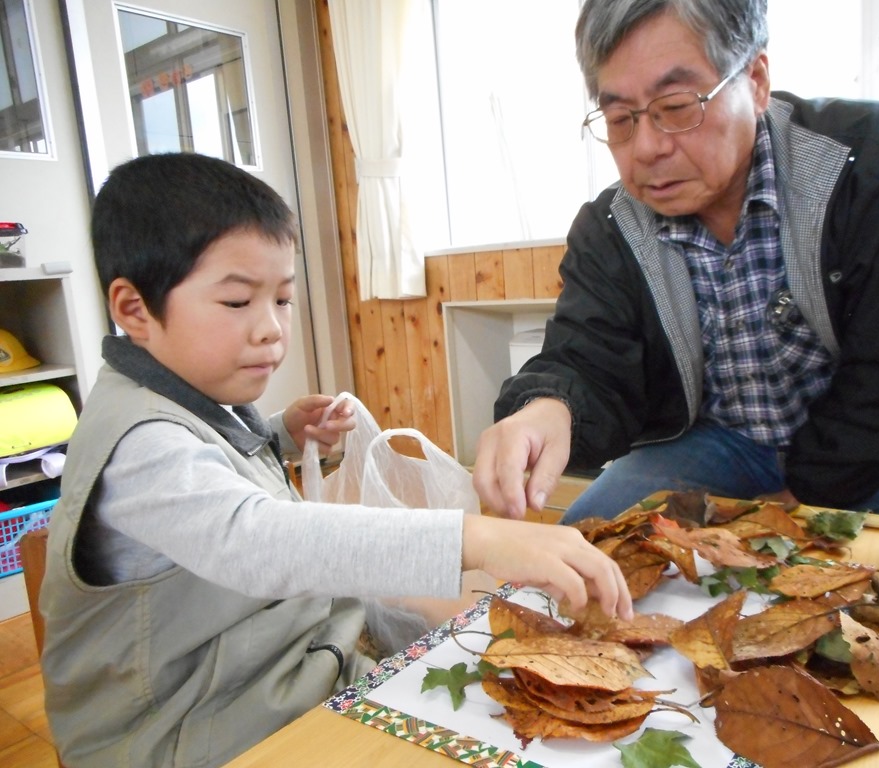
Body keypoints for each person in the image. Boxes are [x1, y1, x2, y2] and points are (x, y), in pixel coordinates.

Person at [38, 152, 633, 768]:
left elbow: (208, 475)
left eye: (283, 299)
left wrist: (281, 434)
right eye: (238, 302)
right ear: (134, 309)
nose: (271, 329)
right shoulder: (136, 443)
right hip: (189, 731)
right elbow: (252, 538)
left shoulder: (190, 397)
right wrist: (476, 538)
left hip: (280, 669)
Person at [472, 0, 879, 527]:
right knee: (585, 542)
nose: (645, 149)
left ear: (756, 80)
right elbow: (590, 356)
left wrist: (803, 495)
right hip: (718, 442)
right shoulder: (611, 227)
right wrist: (550, 406)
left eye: (675, 108)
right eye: (620, 119)